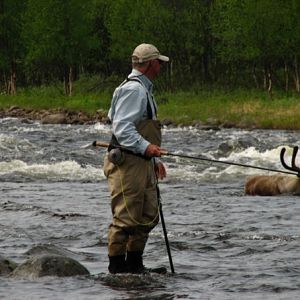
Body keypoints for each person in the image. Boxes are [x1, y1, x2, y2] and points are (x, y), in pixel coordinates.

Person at [103, 43, 169, 274]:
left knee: (147, 216)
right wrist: (147, 148)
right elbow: (122, 128)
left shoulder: (143, 89)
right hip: (128, 164)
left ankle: (135, 266)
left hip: (142, 162)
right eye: (159, 62)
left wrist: (154, 161)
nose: (161, 66)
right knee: (126, 219)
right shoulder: (134, 90)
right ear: (150, 63)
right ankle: (117, 270)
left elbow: (136, 129)